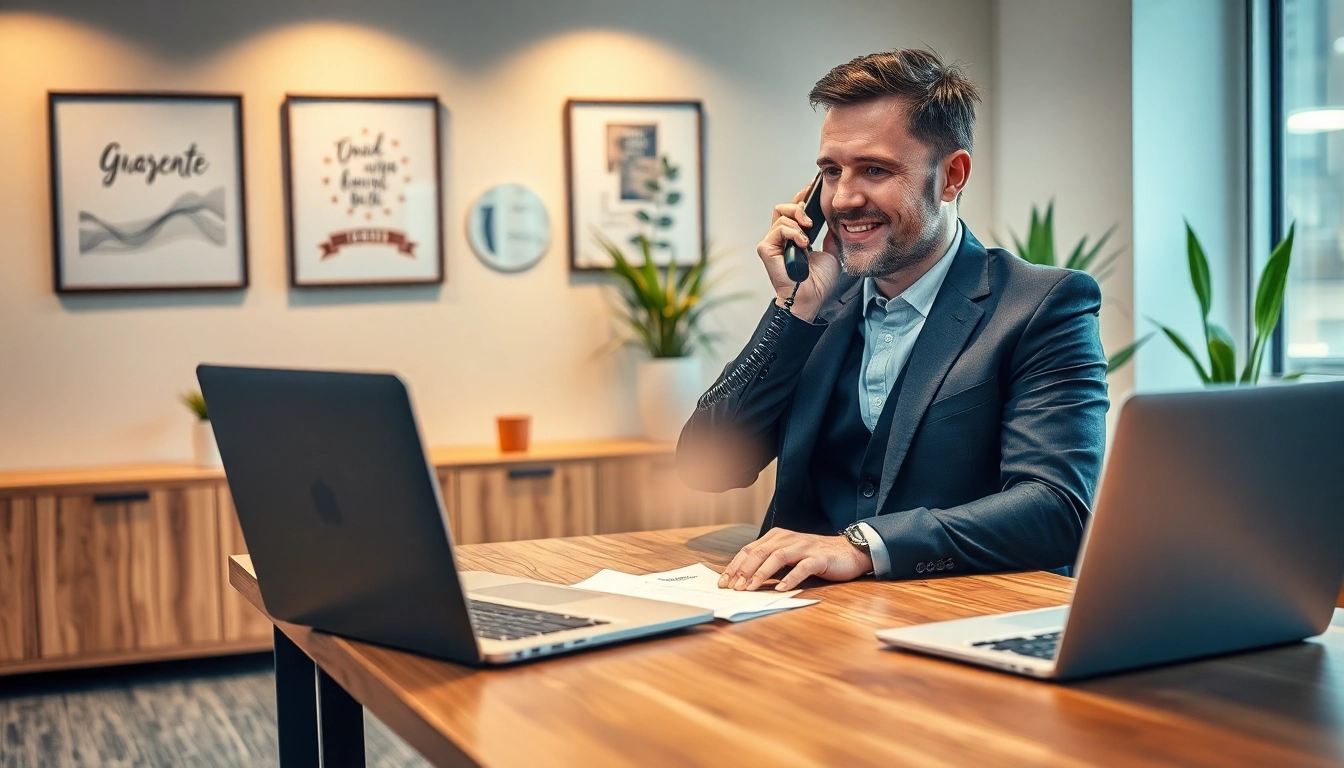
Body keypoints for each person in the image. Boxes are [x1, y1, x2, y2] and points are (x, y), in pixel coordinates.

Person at [676, 48, 1108, 593]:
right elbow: (706, 467)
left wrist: (863, 546)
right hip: (798, 615)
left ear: (952, 175)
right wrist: (794, 310)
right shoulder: (818, 304)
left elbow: (1056, 509)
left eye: (875, 170)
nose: (843, 198)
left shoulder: (1043, 304)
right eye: (831, 172)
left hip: (961, 615)